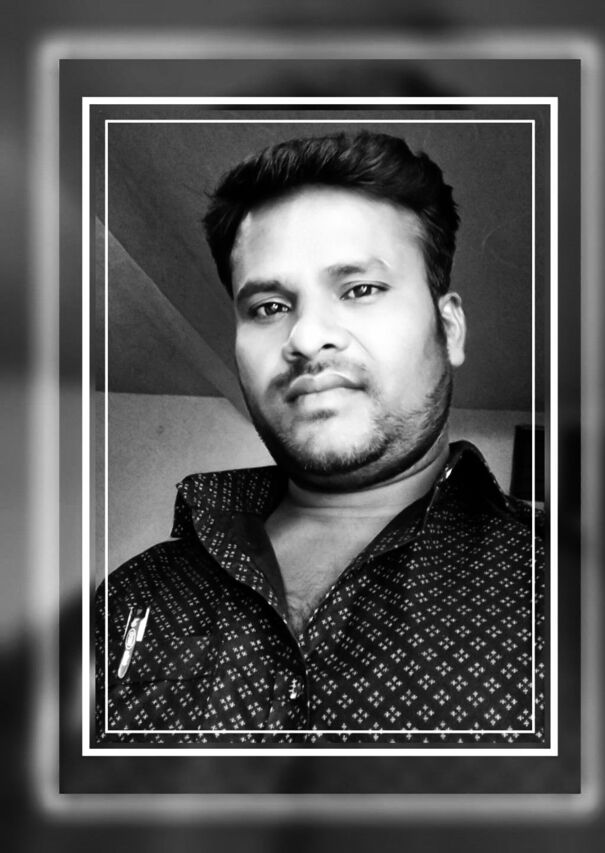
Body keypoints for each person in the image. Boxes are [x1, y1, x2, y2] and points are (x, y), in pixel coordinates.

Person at [95, 131, 545, 746]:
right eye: (269, 306)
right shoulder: (132, 596)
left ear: (449, 329)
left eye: (360, 290)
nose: (306, 338)